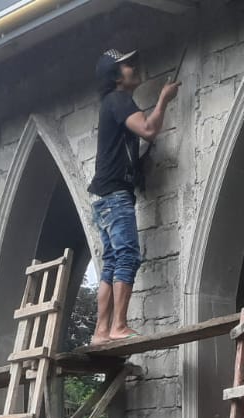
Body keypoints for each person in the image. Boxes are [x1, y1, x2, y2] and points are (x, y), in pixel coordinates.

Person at [88, 48, 180, 344]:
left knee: (113, 260)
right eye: (127, 65)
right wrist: (164, 98)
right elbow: (149, 130)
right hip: (115, 196)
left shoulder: (110, 104)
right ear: (116, 75)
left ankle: (101, 331)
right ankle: (118, 326)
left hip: (103, 197)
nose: (134, 67)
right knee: (127, 255)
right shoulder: (118, 100)